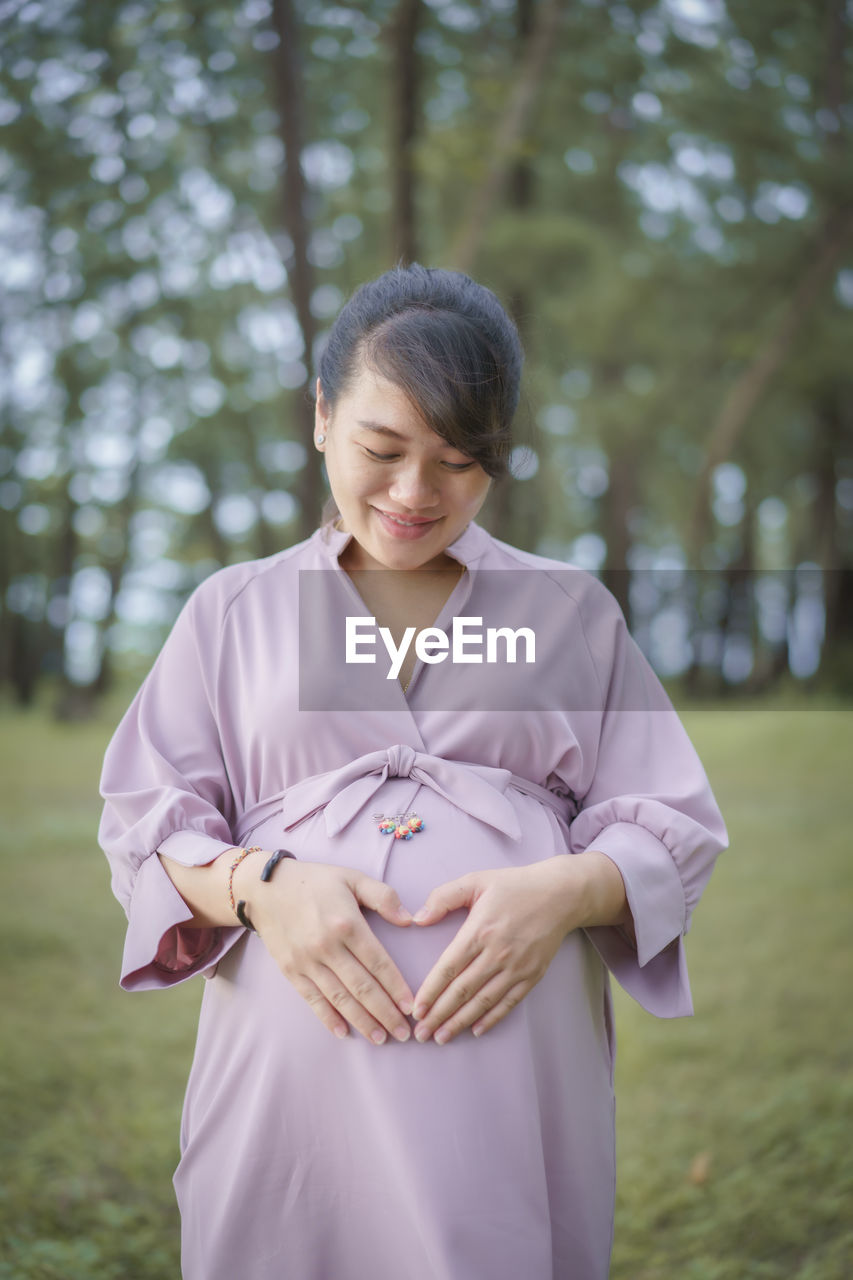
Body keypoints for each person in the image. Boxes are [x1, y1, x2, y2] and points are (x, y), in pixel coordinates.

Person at [99, 263, 728, 1280]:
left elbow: (669, 823)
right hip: (291, 1100)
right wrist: (263, 885)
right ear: (320, 417)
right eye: (381, 449)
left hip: (511, 1090)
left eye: (457, 461)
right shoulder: (233, 611)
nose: (412, 494)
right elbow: (147, 833)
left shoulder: (567, 612)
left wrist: (567, 885)